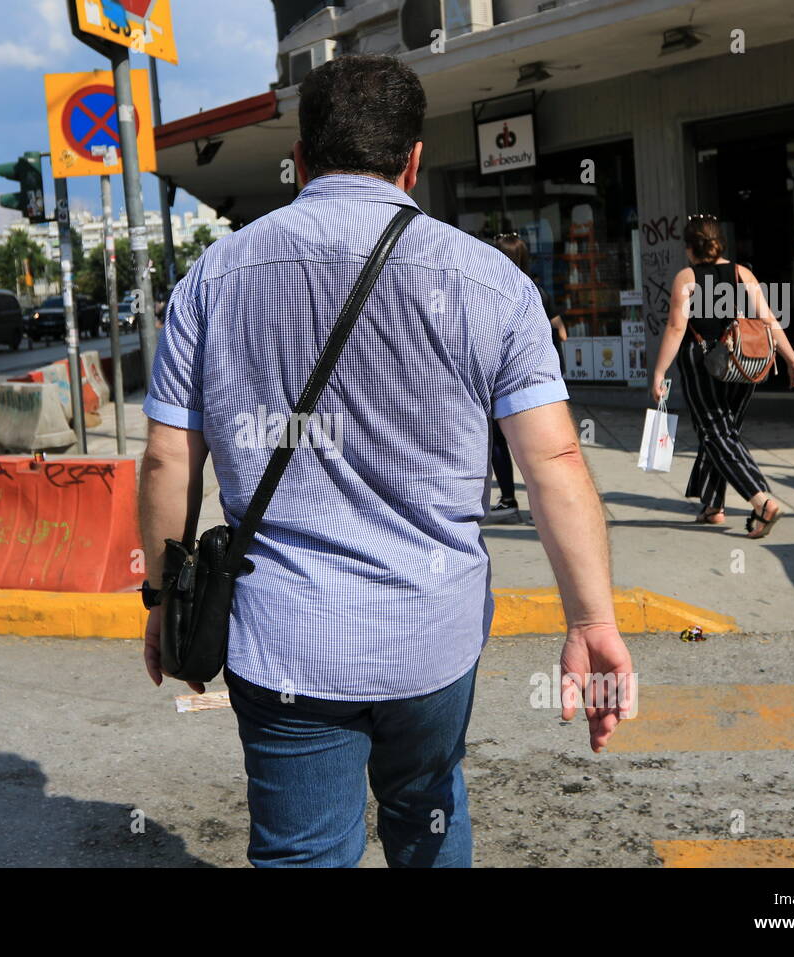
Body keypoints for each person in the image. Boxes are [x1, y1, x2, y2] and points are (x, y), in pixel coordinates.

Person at [137, 54, 633, 868]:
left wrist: (163, 595)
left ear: (300, 155)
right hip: (430, 637)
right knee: (427, 811)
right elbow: (553, 459)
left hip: (284, 640)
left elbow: (165, 459)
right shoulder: (492, 283)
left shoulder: (214, 277)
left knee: (303, 852)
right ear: (412, 160)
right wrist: (591, 619)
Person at [649, 214, 794, 538]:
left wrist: (660, 371)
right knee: (724, 431)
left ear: (690, 248)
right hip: (743, 361)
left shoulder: (687, 278)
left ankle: (761, 501)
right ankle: (713, 506)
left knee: (714, 432)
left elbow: (677, 327)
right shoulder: (741, 273)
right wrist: (792, 360)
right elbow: (769, 321)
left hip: (703, 361)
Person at [483, 233, 567, 524]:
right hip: (540, 382)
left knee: (498, 443)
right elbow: (562, 331)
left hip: (503, 380)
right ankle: (544, 509)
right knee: (539, 447)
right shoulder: (537, 291)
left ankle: (508, 499)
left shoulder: (492, 293)